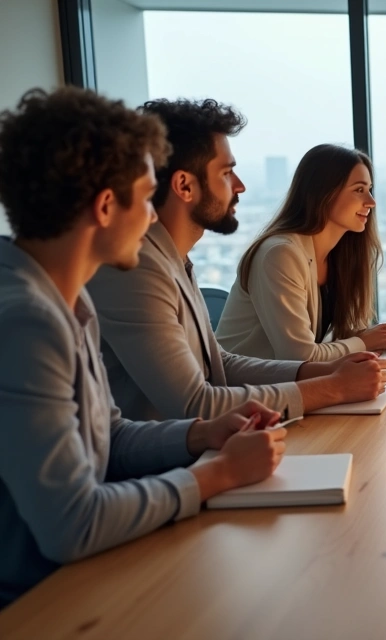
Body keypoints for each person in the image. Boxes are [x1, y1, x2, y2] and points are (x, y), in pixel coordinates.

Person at [0, 88, 286, 607]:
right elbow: (72, 524)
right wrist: (218, 473)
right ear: (106, 206)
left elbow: (110, 436)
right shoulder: (27, 321)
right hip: (38, 604)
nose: (155, 218)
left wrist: (203, 432)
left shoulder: (67, 300)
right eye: (145, 196)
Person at [86, 99, 386, 421]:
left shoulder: (173, 260)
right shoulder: (135, 271)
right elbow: (195, 404)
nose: (240, 185)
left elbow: (220, 364)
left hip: (205, 443)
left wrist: (326, 370)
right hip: (174, 455)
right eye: (227, 172)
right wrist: (332, 387)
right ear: (184, 185)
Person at [216, 144, 386, 361]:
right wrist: (366, 341)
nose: (371, 202)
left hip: (286, 387)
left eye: (369, 190)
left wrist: (384, 335)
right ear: (324, 194)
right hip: (243, 390)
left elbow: (333, 342)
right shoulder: (280, 255)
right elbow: (299, 356)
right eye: (359, 190)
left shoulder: (339, 256)